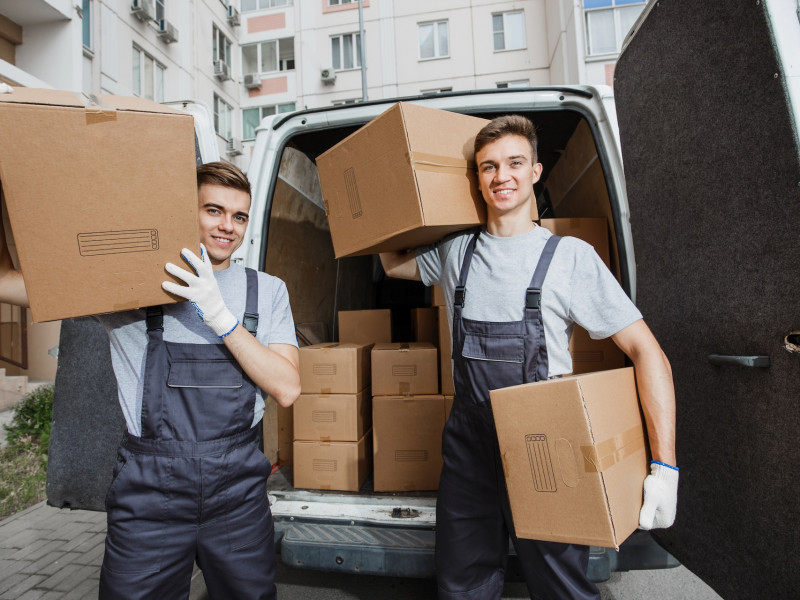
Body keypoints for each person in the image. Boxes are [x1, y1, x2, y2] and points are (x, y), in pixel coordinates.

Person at [380, 115, 678, 600]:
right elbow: (392, 261)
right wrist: (389, 199)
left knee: (562, 588)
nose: (502, 177)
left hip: (548, 450)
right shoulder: (457, 251)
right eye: (488, 167)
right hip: (469, 449)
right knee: (461, 585)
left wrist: (665, 468)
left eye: (515, 163)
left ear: (536, 171)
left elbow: (648, 351)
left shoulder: (570, 257)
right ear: (476, 179)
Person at [0, 161, 301, 600]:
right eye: (213, 210)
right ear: (183, 212)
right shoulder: (131, 288)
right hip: (149, 497)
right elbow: (7, 282)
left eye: (239, 216)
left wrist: (218, 315)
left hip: (237, 493)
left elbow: (287, 388)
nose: (227, 226)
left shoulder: (267, 290)